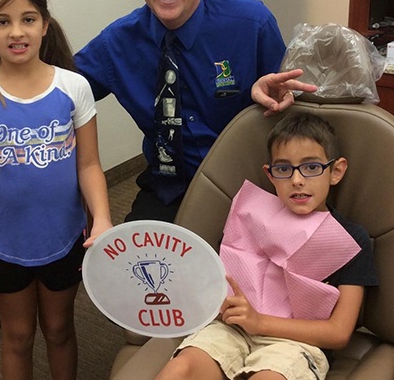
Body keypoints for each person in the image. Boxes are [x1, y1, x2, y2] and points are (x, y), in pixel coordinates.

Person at [0, 0, 316, 223]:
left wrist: (277, 98)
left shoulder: (251, 25)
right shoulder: (117, 43)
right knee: (129, 267)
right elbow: (51, 89)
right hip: (169, 188)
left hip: (250, 186)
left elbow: (295, 117)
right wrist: (20, 20)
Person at [0, 0, 112, 380]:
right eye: (2, 21)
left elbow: (89, 165)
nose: (17, 31)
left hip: (63, 239)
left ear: (44, 24)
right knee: (18, 336)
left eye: (28, 19)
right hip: (3, 245)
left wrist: (103, 218)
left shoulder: (73, 87)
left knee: (59, 330)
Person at [155, 112, 378, 380]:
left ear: (336, 170)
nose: (297, 180)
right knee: (179, 370)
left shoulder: (351, 240)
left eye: (311, 167)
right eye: (284, 169)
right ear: (270, 175)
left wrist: (260, 322)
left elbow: (339, 333)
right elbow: (216, 283)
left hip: (295, 344)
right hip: (231, 329)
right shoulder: (247, 219)